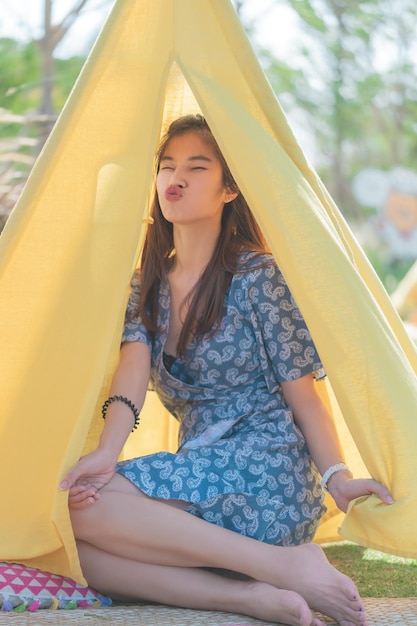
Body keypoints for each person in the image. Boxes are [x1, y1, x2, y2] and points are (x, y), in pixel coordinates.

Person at [60, 114, 394, 626]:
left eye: (197, 168)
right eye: (167, 167)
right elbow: (130, 377)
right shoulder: (145, 284)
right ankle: (255, 595)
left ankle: (277, 562)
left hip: (267, 470)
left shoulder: (258, 276)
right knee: (72, 536)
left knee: (87, 512)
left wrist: (337, 479)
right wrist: (106, 451)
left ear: (229, 190)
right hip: (201, 469)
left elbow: (304, 396)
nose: (177, 178)